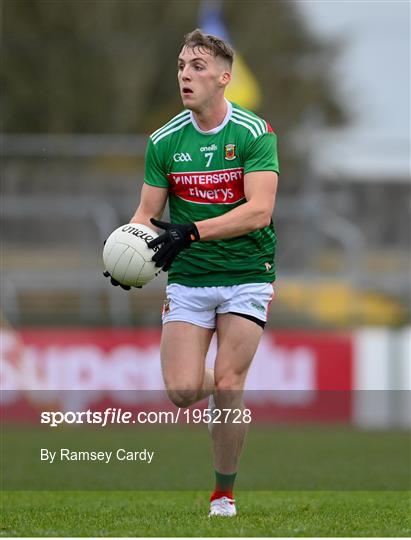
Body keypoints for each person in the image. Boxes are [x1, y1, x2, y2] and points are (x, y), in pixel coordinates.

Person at [105, 29, 279, 517]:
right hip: (189, 277)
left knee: (227, 382)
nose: (186, 73)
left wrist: (192, 231)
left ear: (224, 79)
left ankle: (223, 494)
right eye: (182, 65)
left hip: (248, 270)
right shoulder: (164, 141)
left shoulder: (254, 133)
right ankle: (232, 393)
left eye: (198, 67)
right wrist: (129, 255)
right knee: (182, 391)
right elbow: (146, 213)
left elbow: (259, 212)